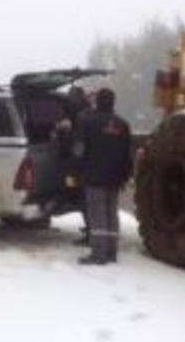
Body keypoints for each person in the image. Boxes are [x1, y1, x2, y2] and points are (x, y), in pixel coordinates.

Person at [73, 88, 133, 265]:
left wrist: (74, 169)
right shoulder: (123, 125)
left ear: (97, 101)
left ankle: (98, 254)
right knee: (111, 214)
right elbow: (127, 155)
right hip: (114, 178)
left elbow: (79, 149)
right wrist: (125, 176)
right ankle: (111, 253)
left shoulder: (88, 121)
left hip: (94, 176)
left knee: (97, 214)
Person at [54, 86, 92, 245]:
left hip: (79, 164)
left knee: (84, 199)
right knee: (86, 198)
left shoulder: (77, 116)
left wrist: (62, 131)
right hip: (85, 163)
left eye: (71, 97)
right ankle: (92, 228)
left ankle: (91, 232)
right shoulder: (88, 112)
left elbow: (78, 143)